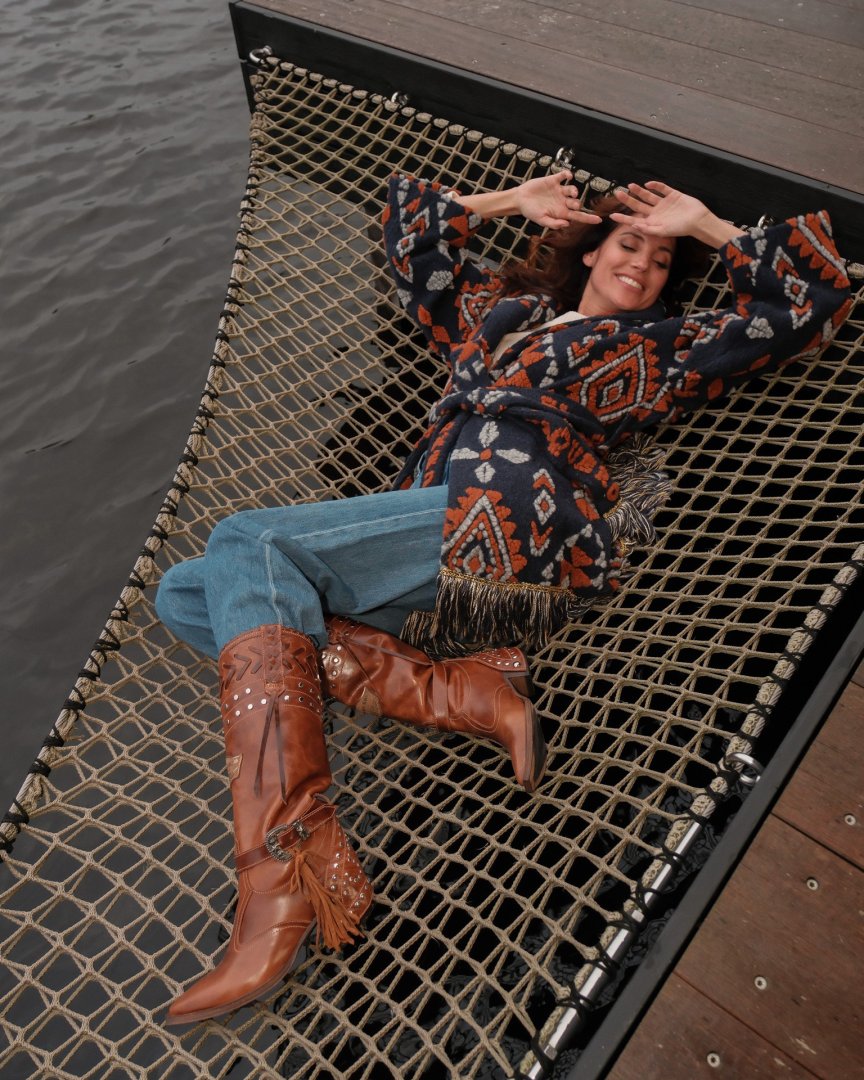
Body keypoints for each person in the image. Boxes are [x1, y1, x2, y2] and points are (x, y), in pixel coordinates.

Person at [156, 170, 851, 1025]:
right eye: (629, 243)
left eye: (660, 261)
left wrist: (703, 222)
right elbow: (412, 239)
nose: (641, 265)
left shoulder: (663, 347)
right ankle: (460, 688)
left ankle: (285, 876)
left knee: (247, 543)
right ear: (590, 250)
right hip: (425, 541)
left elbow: (807, 301)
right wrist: (506, 205)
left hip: (518, 526)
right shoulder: (501, 314)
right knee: (183, 594)